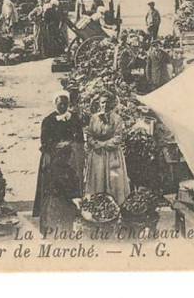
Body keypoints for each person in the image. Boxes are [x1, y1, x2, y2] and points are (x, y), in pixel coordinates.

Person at [33, 93, 85, 230]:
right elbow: (44, 142)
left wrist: (74, 148)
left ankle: (69, 221)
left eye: (65, 104)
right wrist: (58, 146)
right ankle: (49, 223)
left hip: (70, 158)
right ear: (55, 103)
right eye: (60, 103)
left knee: (70, 186)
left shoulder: (74, 118)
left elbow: (80, 138)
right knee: (53, 189)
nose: (63, 106)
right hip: (53, 158)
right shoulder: (48, 121)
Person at [84, 93, 130, 205]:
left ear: (112, 104)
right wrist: (96, 144)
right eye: (102, 102)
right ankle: (97, 205)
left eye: (107, 102)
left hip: (112, 154)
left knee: (113, 179)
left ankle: (115, 204)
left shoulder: (117, 119)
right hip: (98, 154)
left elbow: (118, 137)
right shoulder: (94, 118)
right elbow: (89, 135)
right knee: (98, 178)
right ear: (99, 104)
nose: (104, 105)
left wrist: (105, 144)